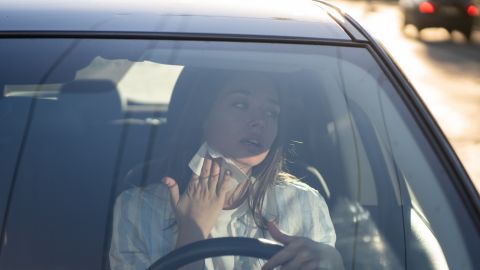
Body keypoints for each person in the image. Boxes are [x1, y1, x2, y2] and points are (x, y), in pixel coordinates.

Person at [109, 70, 344, 270]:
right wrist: (192, 232)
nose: (259, 121)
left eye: (271, 113)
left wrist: (334, 263)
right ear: (203, 115)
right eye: (241, 104)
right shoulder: (137, 209)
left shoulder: (304, 202)